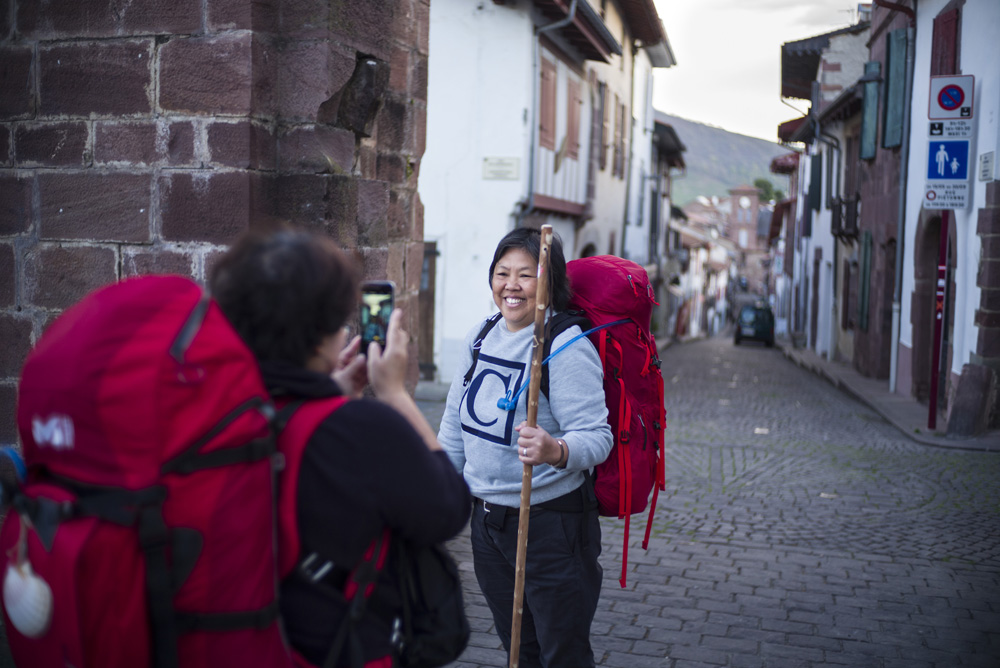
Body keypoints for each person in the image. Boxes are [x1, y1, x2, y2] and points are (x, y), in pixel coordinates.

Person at [210, 225, 471, 668]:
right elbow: (448, 506)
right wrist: (394, 395)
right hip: (333, 650)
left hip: (230, 643)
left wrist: (327, 395)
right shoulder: (362, 431)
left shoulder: (217, 410)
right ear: (322, 335)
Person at [437, 227, 613, 668]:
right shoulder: (480, 335)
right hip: (488, 522)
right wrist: (436, 486)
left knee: (562, 653)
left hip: (550, 525)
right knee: (519, 646)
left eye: (525, 275)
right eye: (502, 273)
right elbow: (454, 425)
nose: (510, 285)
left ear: (549, 281)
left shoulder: (564, 346)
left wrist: (556, 449)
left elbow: (598, 436)